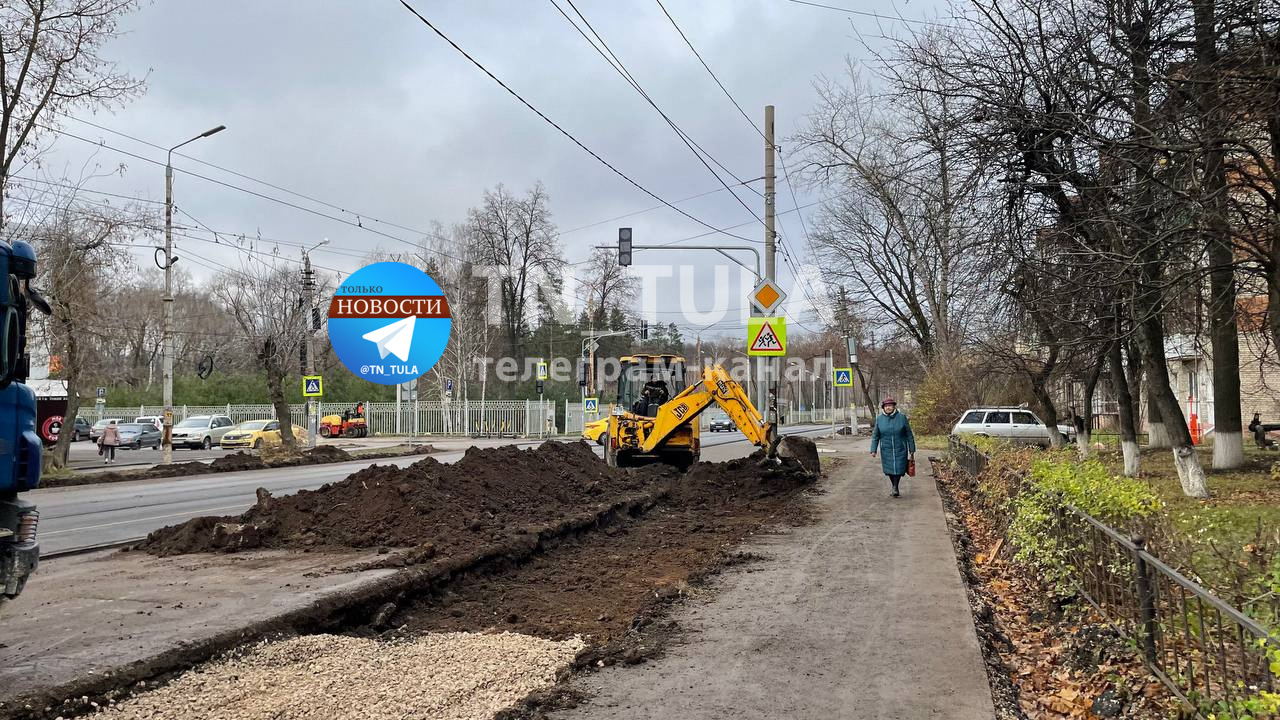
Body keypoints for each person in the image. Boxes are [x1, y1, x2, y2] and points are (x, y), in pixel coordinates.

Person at [870, 396, 915, 498]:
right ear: (883, 408)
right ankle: (894, 486)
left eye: (890, 406)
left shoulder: (902, 418)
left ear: (894, 407)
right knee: (889, 469)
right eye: (886, 406)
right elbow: (875, 435)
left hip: (900, 447)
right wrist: (873, 450)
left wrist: (912, 448)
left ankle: (895, 487)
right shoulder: (879, 419)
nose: (888, 408)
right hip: (886, 449)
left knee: (899, 468)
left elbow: (909, 434)